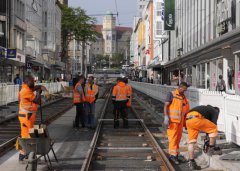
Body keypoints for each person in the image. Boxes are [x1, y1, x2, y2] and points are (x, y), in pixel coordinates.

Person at [18, 75, 48, 161]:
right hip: (26, 117)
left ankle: (24, 154)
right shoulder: (26, 91)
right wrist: (39, 92)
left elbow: (37, 87)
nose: (34, 82)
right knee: (29, 135)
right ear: (27, 82)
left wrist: (44, 89)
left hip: (27, 116)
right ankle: (28, 154)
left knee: (25, 135)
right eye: (32, 81)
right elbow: (37, 100)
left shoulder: (27, 88)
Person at [186, 105, 222, 170]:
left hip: (188, 120)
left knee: (192, 141)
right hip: (196, 118)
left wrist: (208, 135)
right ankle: (211, 148)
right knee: (214, 128)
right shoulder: (215, 111)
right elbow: (213, 125)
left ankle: (191, 162)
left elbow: (206, 126)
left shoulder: (205, 109)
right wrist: (211, 141)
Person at [163, 82, 190, 164]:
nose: (185, 91)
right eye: (184, 89)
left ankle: (176, 155)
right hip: (172, 122)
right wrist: (166, 117)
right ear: (180, 87)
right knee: (173, 139)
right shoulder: (171, 94)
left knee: (177, 139)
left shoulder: (183, 97)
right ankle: (172, 155)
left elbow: (185, 110)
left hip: (180, 122)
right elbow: (166, 106)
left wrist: (185, 123)